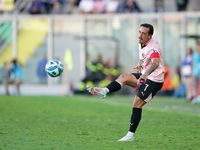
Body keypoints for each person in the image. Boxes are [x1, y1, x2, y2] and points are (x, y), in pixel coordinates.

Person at [86, 23, 164, 141]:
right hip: (145, 74)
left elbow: (155, 62)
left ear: (150, 36)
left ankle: (130, 135)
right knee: (124, 77)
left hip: (154, 79)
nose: (140, 35)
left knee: (137, 103)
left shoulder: (153, 47)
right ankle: (104, 91)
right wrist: (140, 64)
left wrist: (145, 74)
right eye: (139, 32)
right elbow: (145, 57)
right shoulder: (142, 43)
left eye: (144, 33)